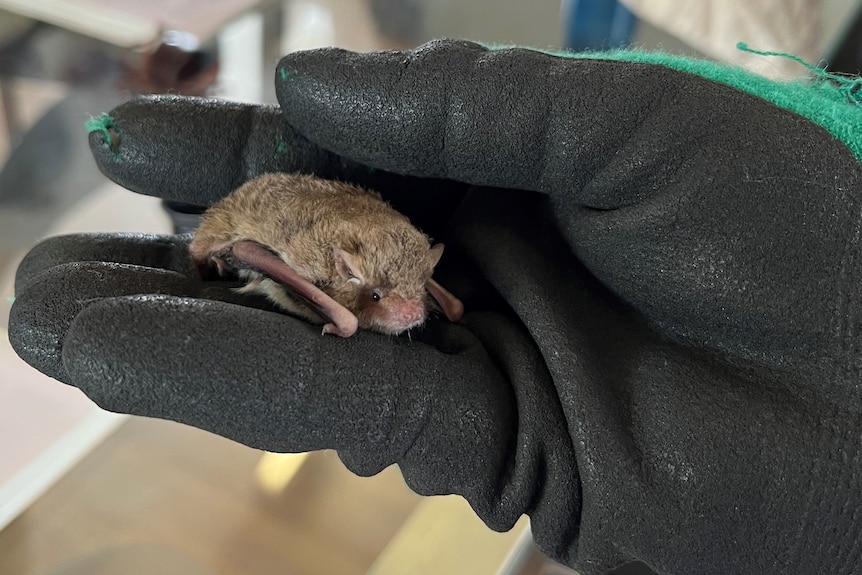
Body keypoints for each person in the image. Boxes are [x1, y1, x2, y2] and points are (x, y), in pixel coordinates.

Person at [8, 39, 862, 575]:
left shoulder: (403, 268)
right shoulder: (322, 269)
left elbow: (406, 287)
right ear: (345, 281)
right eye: (385, 304)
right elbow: (285, 257)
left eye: (420, 295)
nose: (410, 313)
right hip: (266, 234)